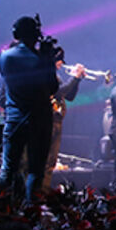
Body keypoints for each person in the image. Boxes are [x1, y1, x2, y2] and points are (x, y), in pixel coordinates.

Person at [0, 15, 59, 199]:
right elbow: (53, 87)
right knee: (36, 171)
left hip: (14, 119)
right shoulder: (41, 59)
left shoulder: (4, 57)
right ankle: (32, 211)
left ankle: (0, 208)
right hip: (40, 121)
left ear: (16, 34)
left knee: (8, 167)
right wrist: (48, 60)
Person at [42, 61, 87, 192]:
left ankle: (43, 193)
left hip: (56, 120)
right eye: (59, 61)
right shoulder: (45, 76)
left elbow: (70, 96)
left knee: (51, 162)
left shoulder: (56, 77)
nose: (61, 64)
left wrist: (77, 80)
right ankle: (38, 195)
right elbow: (58, 92)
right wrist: (74, 77)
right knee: (44, 161)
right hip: (47, 121)